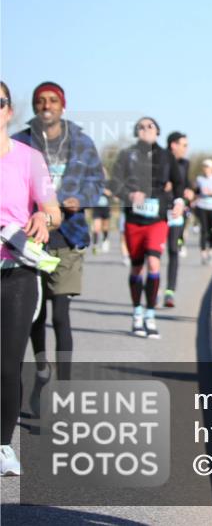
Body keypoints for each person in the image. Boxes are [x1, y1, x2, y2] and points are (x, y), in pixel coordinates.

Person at [13, 82, 105, 384]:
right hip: (29, 240)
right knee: (34, 317)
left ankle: (63, 386)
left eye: (53, 100)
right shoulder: (20, 142)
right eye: (40, 101)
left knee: (61, 315)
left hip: (68, 236)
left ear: (62, 105)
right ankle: (42, 370)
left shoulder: (81, 142)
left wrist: (83, 199)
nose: (46, 105)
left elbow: (95, 182)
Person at [0, 81, 62, 476]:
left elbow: (53, 210)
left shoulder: (28, 158)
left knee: (6, 365)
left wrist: (43, 217)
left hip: (17, 272)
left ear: (7, 110)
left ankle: (3, 445)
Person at [109, 117, 186, 339]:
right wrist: (129, 194)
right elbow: (114, 183)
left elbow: (179, 183)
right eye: (141, 127)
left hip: (158, 218)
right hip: (134, 219)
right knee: (137, 268)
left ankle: (151, 314)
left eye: (149, 126)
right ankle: (137, 312)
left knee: (154, 263)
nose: (145, 130)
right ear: (136, 132)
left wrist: (179, 202)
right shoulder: (127, 155)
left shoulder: (166, 156)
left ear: (158, 132)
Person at [164, 131, 193, 307]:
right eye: (184, 145)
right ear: (173, 145)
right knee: (154, 253)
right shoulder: (159, 159)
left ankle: (170, 291)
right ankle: (152, 285)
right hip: (159, 211)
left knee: (173, 250)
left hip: (175, 212)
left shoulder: (185, 163)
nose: (186, 149)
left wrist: (189, 191)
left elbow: (185, 183)